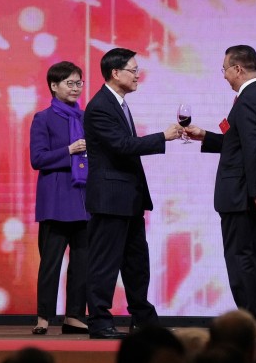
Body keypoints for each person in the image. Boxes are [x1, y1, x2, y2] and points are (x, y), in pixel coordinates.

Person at [83, 48, 181, 340]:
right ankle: (100, 321)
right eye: (133, 70)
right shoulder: (100, 105)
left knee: (137, 262)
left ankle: (142, 318)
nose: (138, 75)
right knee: (104, 264)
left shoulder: (119, 104)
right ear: (115, 73)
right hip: (110, 198)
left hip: (129, 198)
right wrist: (163, 136)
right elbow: (122, 145)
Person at [186, 45, 256, 334]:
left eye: (225, 69)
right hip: (250, 192)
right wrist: (206, 137)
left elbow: (253, 149)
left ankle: (251, 323)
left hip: (241, 197)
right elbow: (239, 143)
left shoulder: (249, 99)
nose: (224, 75)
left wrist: (255, 192)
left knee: (241, 260)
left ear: (238, 68)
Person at [29, 60, 89, 335]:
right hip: (55, 200)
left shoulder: (86, 117)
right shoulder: (43, 118)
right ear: (54, 86)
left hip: (84, 198)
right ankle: (43, 317)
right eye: (70, 83)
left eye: (79, 83)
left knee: (82, 261)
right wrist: (69, 150)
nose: (76, 88)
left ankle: (74, 315)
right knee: (51, 263)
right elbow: (37, 158)